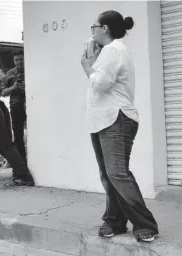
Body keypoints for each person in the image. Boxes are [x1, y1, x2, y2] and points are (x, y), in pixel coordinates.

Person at [80, 10, 158, 242]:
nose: (91, 31)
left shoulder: (114, 50)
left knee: (117, 173)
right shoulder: (109, 52)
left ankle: (146, 224)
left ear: (104, 28)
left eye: (93, 27)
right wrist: (94, 62)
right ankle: (114, 221)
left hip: (116, 118)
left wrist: (87, 65)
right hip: (104, 119)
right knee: (108, 175)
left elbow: (101, 84)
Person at [2, 50, 27, 158]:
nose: (19, 62)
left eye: (21, 59)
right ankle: (22, 164)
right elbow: (3, 92)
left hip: (31, 106)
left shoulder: (31, 69)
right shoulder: (10, 74)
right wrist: (14, 87)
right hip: (16, 106)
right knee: (18, 135)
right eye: (16, 60)